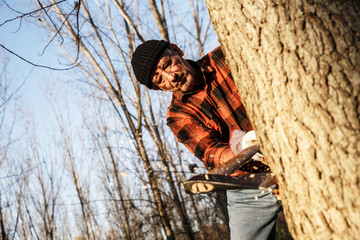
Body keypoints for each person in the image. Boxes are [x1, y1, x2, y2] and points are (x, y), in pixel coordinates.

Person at [131, 40, 282, 240]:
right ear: (160, 89)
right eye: (160, 80)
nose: (171, 77)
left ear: (177, 50)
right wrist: (242, 146)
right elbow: (211, 155)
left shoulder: (225, 57)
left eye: (167, 64)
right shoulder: (178, 116)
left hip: (288, 154)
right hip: (247, 185)